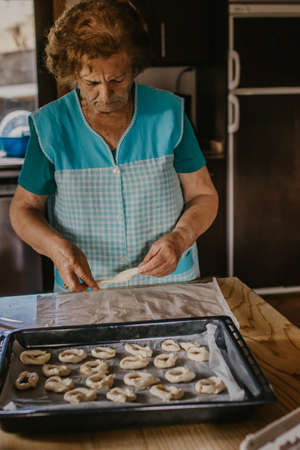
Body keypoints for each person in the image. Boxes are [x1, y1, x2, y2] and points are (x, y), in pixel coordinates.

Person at [9, 0, 218, 293]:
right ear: (71, 72)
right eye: (91, 82)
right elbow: (23, 208)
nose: (105, 95)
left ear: (134, 66)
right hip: (86, 288)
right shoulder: (50, 126)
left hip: (170, 285)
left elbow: (204, 195)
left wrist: (181, 237)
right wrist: (55, 246)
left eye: (118, 79)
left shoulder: (168, 113)